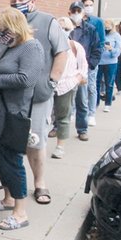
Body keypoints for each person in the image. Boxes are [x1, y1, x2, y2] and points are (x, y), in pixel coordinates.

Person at [0, 7, 44, 230]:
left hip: (13, 114)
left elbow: (27, 79)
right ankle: (8, 199)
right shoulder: (8, 47)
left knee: (12, 162)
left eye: (2, 29)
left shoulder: (31, 47)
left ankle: (20, 213)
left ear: (15, 27)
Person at [51, 17, 87, 159]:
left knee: (63, 116)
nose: (63, 32)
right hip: (49, 84)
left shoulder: (75, 46)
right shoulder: (49, 45)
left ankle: (60, 146)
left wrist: (76, 80)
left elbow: (83, 67)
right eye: (60, 29)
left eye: (66, 29)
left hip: (67, 85)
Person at [69, 1, 101, 141]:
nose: (76, 13)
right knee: (62, 101)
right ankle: (57, 126)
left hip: (81, 70)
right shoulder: (65, 28)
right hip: (66, 70)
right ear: (69, 12)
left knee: (82, 101)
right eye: (74, 11)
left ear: (83, 13)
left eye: (79, 11)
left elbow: (97, 49)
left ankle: (82, 129)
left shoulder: (90, 29)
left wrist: (89, 67)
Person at [82, 0, 106, 112]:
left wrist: (94, 60)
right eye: (86, 5)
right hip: (79, 59)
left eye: (90, 5)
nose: (88, 7)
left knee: (91, 87)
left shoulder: (97, 21)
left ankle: (91, 112)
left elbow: (101, 42)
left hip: (91, 59)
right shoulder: (79, 20)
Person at [97, 19, 121, 111]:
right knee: (97, 83)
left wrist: (111, 49)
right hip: (99, 62)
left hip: (111, 62)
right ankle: (96, 102)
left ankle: (108, 103)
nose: (106, 29)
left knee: (109, 83)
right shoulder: (100, 35)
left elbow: (118, 51)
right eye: (104, 27)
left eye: (108, 27)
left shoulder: (116, 36)